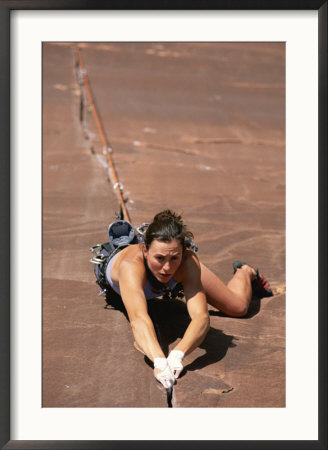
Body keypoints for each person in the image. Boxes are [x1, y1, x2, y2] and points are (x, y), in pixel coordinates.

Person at [102, 209, 272, 390]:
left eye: (174, 258)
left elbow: (201, 317)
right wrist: (160, 362)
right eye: (159, 258)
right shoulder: (130, 266)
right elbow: (139, 319)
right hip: (133, 283)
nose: (167, 267)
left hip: (173, 280)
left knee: (238, 308)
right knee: (148, 323)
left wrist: (178, 355)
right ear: (145, 250)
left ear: (183, 252)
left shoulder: (187, 262)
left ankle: (245, 271)